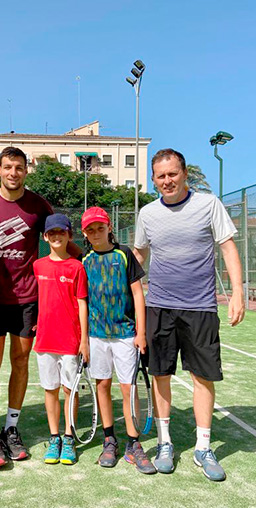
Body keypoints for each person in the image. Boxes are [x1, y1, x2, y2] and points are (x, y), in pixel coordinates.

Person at [133, 148, 245, 482]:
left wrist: (237, 291)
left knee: (202, 377)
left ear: (184, 174)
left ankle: (203, 447)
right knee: (161, 374)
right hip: (160, 306)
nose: (167, 181)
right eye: (160, 176)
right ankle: (165, 443)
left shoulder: (209, 204)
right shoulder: (148, 214)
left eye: (172, 174)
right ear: (153, 180)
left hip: (201, 307)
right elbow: (139, 254)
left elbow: (227, 247)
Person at [0, 146, 54, 467]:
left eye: (19, 167)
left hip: (27, 299)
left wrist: (84, 259)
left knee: (20, 362)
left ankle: (11, 429)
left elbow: (59, 234)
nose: (13, 173)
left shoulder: (38, 206)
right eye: (8, 167)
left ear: (25, 171)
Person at [81, 206, 156, 474]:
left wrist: (141, 332)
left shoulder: (124, 255)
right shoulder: (85, 259)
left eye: (100, 228)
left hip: (125, 335)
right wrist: (84, 340)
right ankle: (109, 438)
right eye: (90, 229)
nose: (96, 233)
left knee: (129, 388)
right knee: (103, 385)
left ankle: (133, 442)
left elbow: (137, 294)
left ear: (109, 227)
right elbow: (83, 300)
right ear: (85, 233)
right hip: (96, 336)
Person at [33, 214, 88, 465]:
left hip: (70, 341)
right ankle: (54, 437)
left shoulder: (77, 266)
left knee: (69, 390)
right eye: (51, 233)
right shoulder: (38, 265)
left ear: (69, 235)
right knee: (50, 389)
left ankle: (68, 437)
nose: (56, 236)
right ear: (45, 236)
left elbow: (81, 304)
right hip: (45, 340)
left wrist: (84, 339)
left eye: (61, 232)